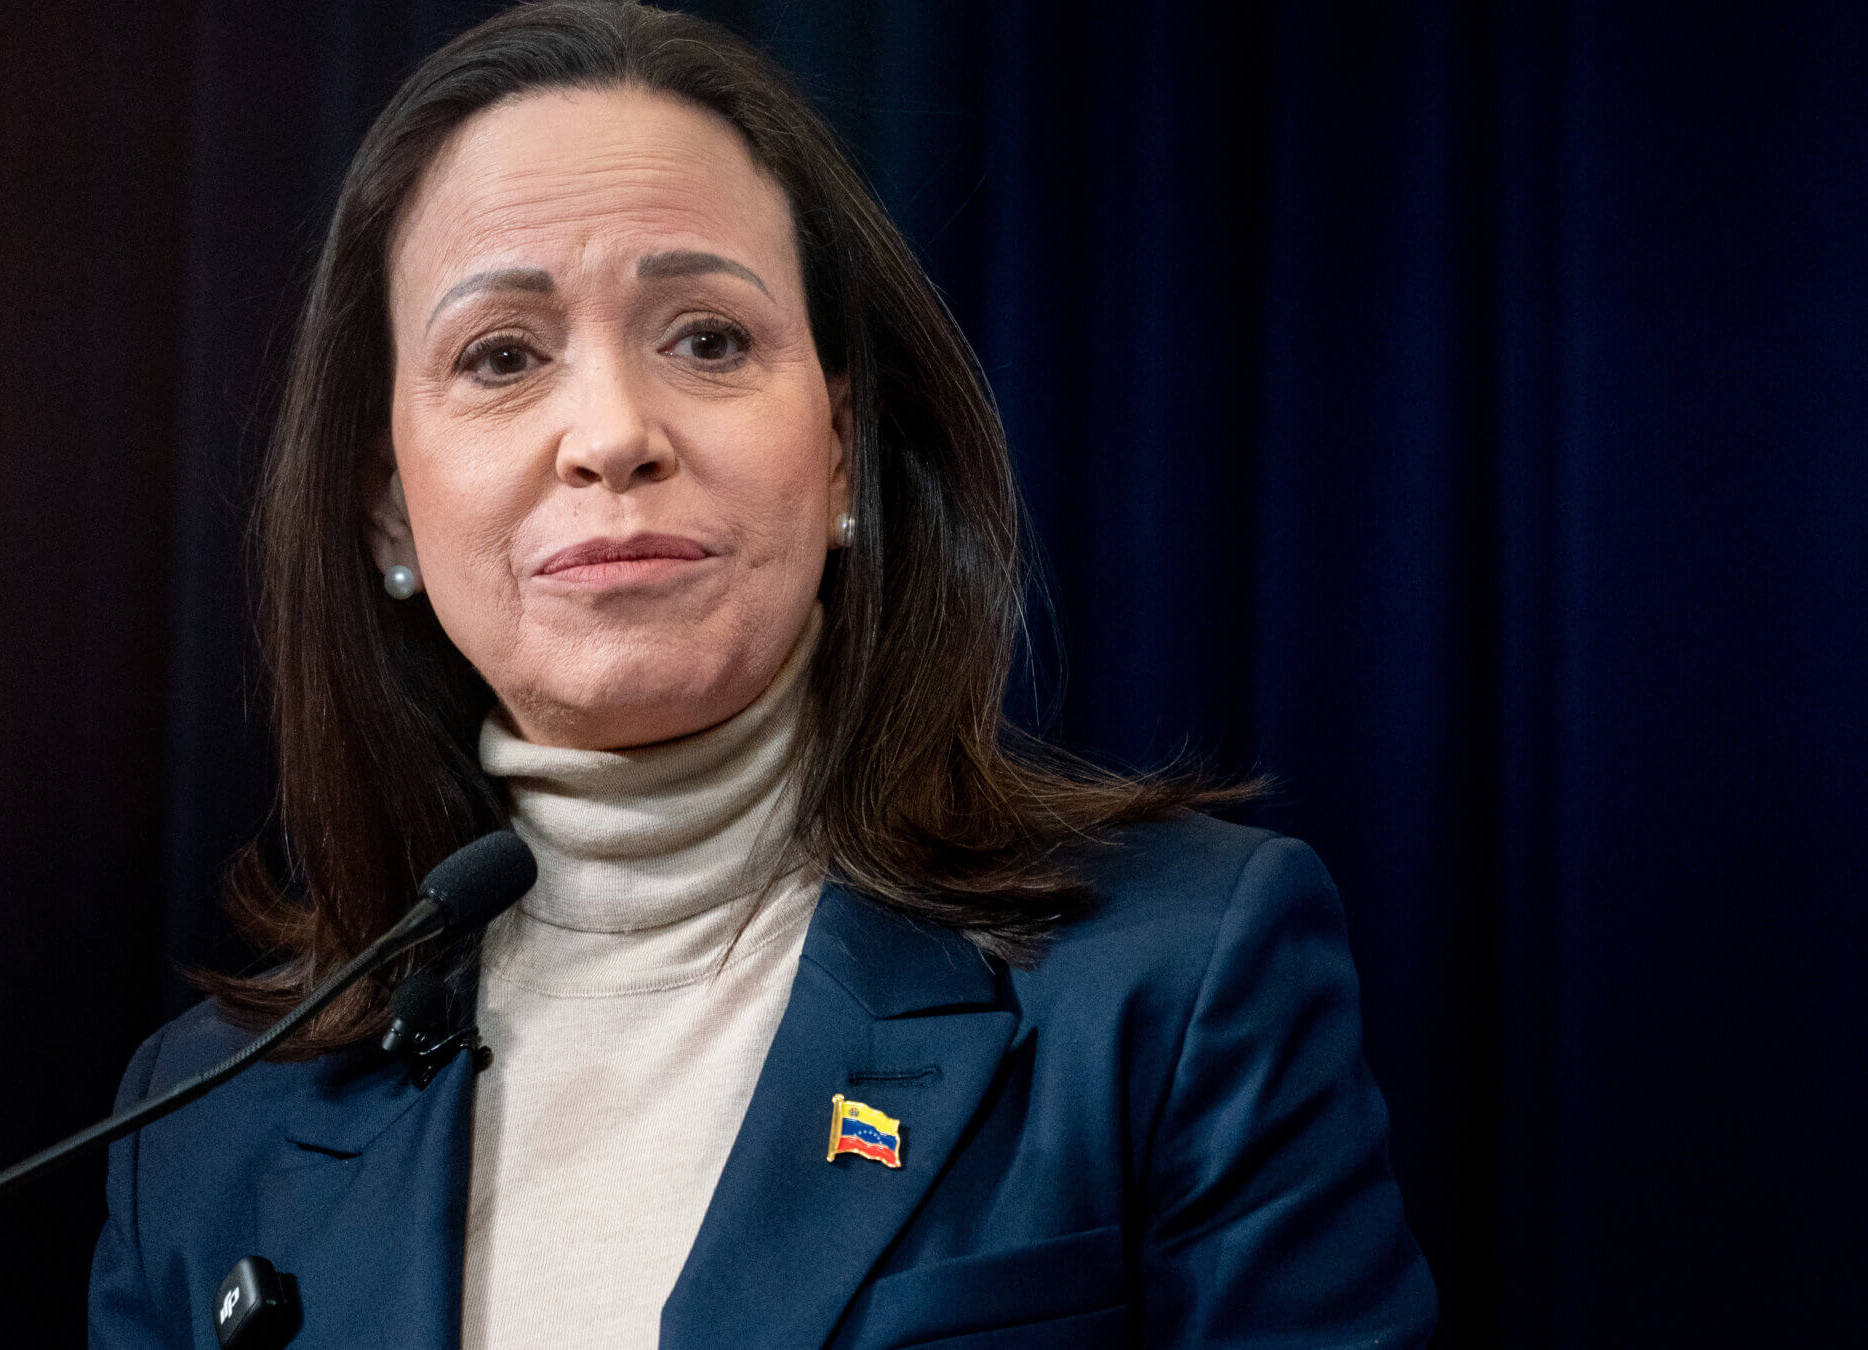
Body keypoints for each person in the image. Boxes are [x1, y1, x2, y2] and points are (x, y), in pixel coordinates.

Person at [88, 3, 1437, 1346]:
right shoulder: (206, 1129)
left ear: (844, 453)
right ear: (386, 506)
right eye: (503, 356)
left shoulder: (1179, 980)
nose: (612, 435)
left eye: (709, 340)